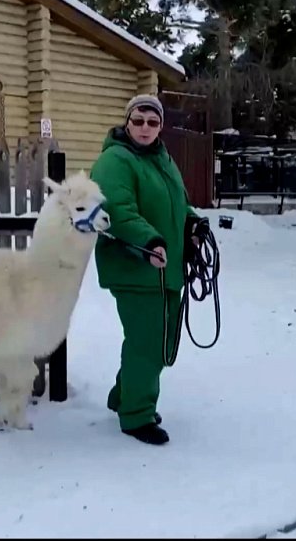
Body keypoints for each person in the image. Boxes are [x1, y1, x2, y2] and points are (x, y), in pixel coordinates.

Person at [89, 93, 207, 446]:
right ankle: (137, 416)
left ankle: (123, 395)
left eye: (152, 122)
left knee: (159, 340)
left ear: (160, 126)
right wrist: (150, 241)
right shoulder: (115, 160)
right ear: (127, 122)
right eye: (138, 120)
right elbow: (117, 210)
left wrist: (193, 225)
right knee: (148, 343)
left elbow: (178, 205)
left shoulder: (162, 160)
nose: (144, 127)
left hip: (164, 268)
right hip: (136, 265)